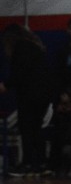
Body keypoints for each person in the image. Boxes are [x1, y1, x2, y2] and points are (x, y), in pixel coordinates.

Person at [0, 24, 54, 176]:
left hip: (29, 95)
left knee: (27, 129)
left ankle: (28, 164)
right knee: (37, 129)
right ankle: (42, 163)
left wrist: (6, 85)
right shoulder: (34, 47)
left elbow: (19, 73)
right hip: (42, 94)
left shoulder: (20, 48)